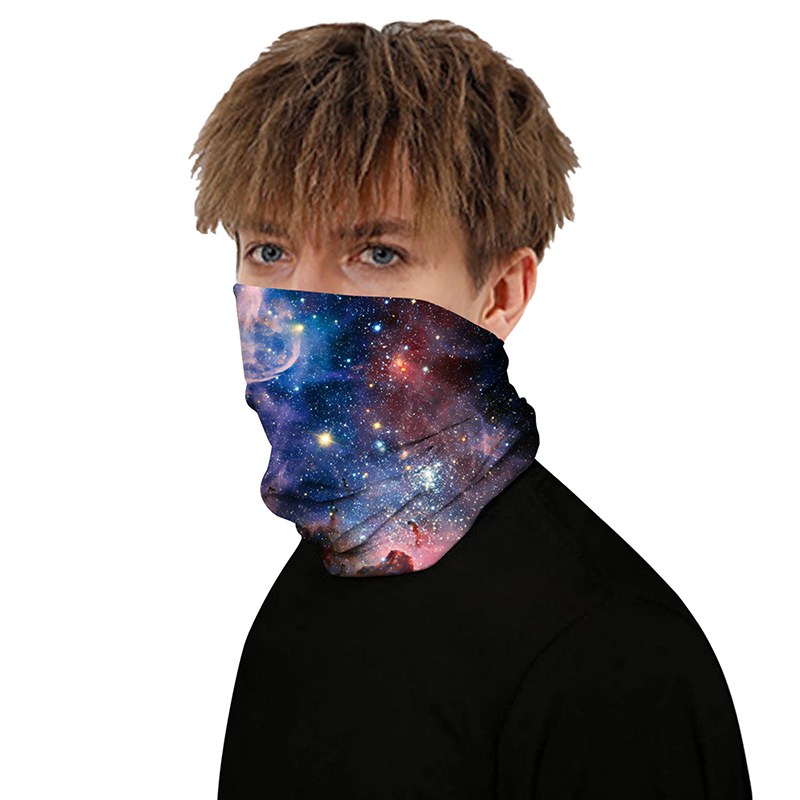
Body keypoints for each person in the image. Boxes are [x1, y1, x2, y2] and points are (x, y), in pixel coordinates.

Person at [189, 20, 752, 798]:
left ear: (502, 293)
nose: (298, 311)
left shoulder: (608, 654)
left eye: (377, 254)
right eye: (270, 251)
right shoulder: (325, 575)